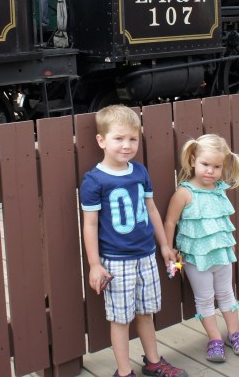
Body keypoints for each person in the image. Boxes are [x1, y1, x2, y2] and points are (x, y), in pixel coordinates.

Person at [80, 105, 187, 377]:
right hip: (116, 261)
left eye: (133, 139)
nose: (127, 145)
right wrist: (94, 264)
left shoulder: (139, 171)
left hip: (146, 255)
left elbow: (151, 210)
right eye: (119, 138)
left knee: (145, 313)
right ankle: (125, 372)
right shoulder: (94, 181)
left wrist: (164, 245)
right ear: (101, 141)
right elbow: (90, 225)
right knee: (120, 319)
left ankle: (153, 362)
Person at [163, 134, 239, 363]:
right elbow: (170, 221)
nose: (210, 171)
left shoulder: (219, 189)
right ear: (193, 161)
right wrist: (169, 248)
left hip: (221, 253)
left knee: (226, 293)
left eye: (216, 166)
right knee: (204, 298)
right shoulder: (184, 193)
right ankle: (214, 338)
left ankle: (235, 333)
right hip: (195, 258)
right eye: (205, 164)